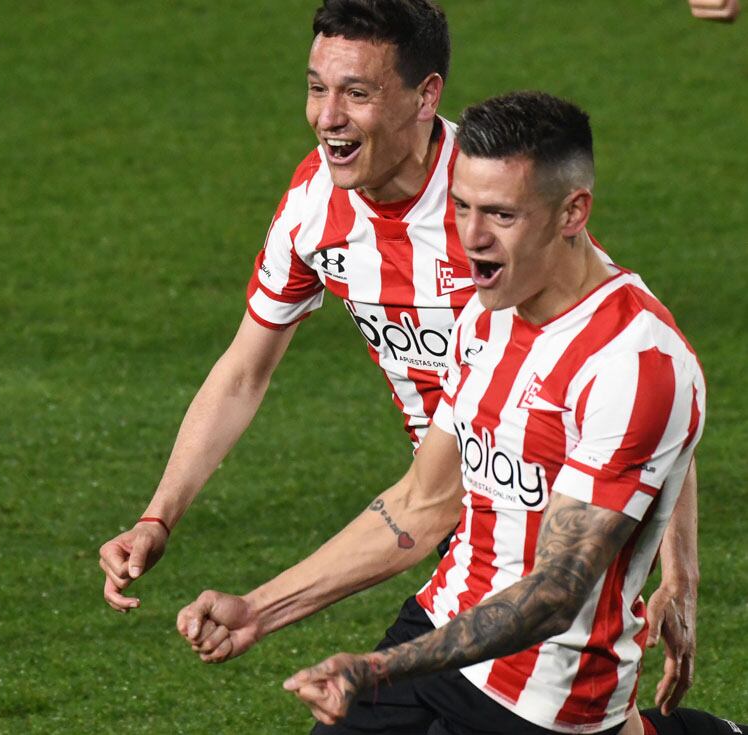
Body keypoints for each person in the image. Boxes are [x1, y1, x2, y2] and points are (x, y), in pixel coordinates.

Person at [99, 0, 698, 713]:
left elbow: (636, 384)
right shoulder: (315, 206)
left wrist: (676, 570)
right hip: (445, 499)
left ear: (426, 96)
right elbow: (244, 371)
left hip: (534, 521)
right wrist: (159, 516)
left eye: (356, 92)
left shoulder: (497, 209)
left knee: (555, 695)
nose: (329, 117)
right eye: (317, 88)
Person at [178, 92, 743, 735]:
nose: (471, 238)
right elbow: (422, 503)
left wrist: (379, 670)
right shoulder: (486, 312)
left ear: (573, 213)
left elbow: (554, 595)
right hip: (442, 622)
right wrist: (259, 610)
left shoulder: (634, 362)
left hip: (545, 691)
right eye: (462, 207)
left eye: (500, 215)